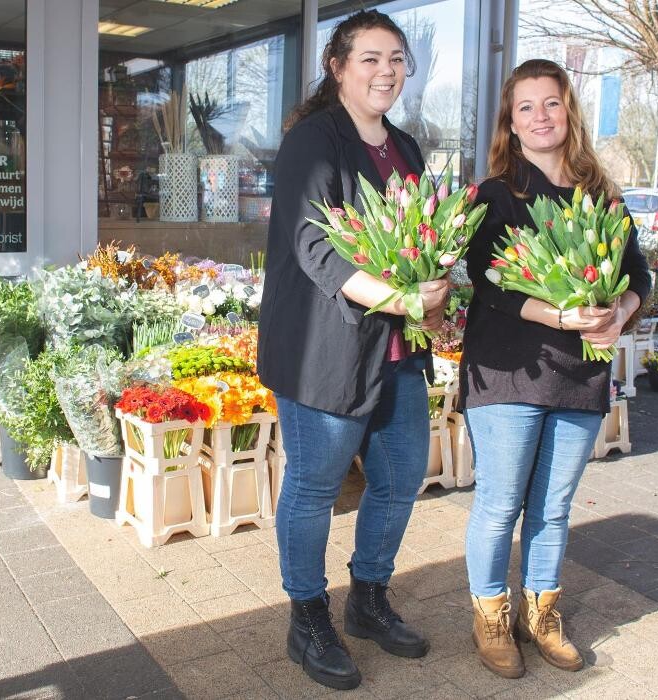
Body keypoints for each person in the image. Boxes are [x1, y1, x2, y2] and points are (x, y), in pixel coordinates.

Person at [257, 10, 449, 691]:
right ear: (337, 67)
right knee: (312, 487)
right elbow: (315, 249)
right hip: (325, 352)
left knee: (398, 480)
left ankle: (367, 600)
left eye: (395, 58)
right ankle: (305, 617)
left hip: (396, 355)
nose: (385, 71)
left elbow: (423, 239)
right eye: (369, 58)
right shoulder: (314, 140)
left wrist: (438, 278)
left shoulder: (405, 146)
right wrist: (401, 299)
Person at [459, 59, 651, 679]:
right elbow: (486, 283)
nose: (540, 117)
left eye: (551, 104)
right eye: (525, 108)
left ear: (568, 111)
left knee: (553, 506)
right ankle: (491, 614)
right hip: (510, 370)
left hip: (579, 375)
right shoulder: (494, 194)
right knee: (500, 503)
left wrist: (620, 312)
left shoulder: (601, 196)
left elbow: (638, 275)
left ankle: (542, 612)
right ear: (509, 124)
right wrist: (563, 318)